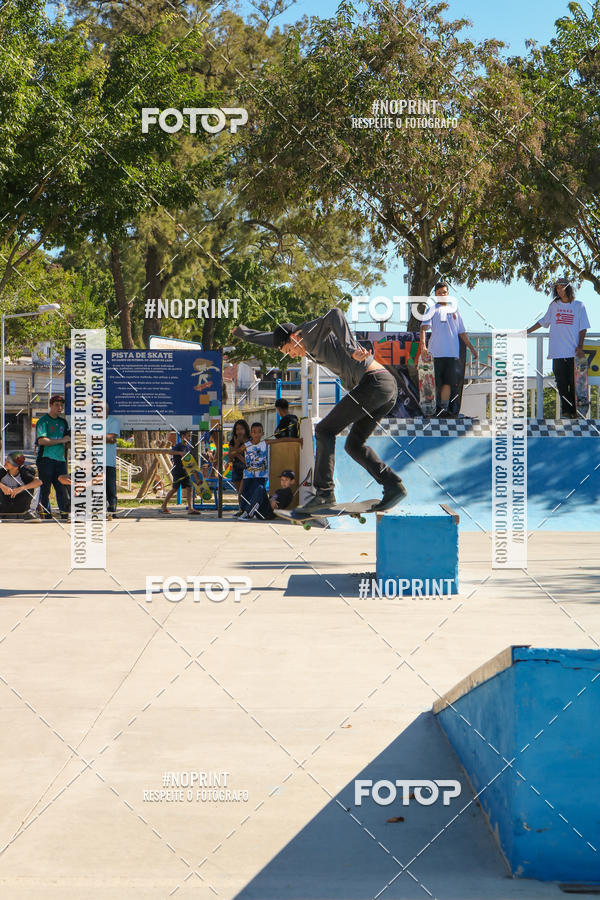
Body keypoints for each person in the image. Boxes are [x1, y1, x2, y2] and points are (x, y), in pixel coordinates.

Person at [234, 309, 407, 513]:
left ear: (293, 338)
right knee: (353, 445)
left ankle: (324, 493)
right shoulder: (299, 342)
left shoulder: (307, 333)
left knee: (325, 430)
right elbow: (270, 338)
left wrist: (350, 347)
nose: (292, 355)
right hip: (384, 389)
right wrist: (242, 332)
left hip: (374, 382)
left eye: (289, 350)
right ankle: (393, 486)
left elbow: (335, 314)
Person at [527, 278, 590, 418]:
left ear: (568, 288)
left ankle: (576, 412)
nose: (559, 290)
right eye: (557, 288)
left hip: (573, 352)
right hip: (557, 352)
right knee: (561, 384)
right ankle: (566, 411)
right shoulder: (554, 305)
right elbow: (543, 322)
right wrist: (527, 331)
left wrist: (580, 347)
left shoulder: (579, 306)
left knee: (574, 384)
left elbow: (583, 328)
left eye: (562, 287)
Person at [420, 282, 478, 417]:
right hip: (436, 353)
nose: (442, 295)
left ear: (448, 294)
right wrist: (423, 345)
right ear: (435, 294)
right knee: (434, 382)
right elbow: (423, 328)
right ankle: (432, 409)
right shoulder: (432, 310)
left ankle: (443, 409)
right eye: (439, 292)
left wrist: (472, 349)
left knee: (447, 383)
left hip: (451, 353)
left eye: (444, 292)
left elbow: (462, 332)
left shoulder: (454, 310)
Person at [36, 394, 70, 520]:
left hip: (60, 460)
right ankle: (46, 514)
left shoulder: (63, 422)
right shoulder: (43, 421)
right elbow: (42, 441)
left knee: (62, 488)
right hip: (46, 459)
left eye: (61, 405)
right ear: (50, 405)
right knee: (45, 488)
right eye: (56, 405)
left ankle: (64, 513)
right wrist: (61, 440)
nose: (59, 407)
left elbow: (68, 439)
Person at [160, 429, 200, 515]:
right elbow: (170, 452)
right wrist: (179, 453)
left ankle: (190, 508)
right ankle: (164, 506)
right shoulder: (178, 446)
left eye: (190, 436)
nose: (189, 438)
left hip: (186, 471)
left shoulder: (189, 447)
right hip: (178, 471)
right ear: (182, 436)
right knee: (174, 489)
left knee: (189, 489)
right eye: (188, 436)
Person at [237, 422, 269, 519]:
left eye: (259, 432)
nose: (256, 434)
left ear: (262, 433)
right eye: (254, 432)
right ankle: (245, 511)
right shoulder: (246, 445)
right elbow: (235, 453)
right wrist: (245, 462)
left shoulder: (265, 443)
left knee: (259, 490)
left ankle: (248, 513)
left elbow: (281, 440)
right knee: (246, 495)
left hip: (261, 476)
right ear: (251, 433)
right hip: (248, 476)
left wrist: (299, 440)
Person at [0, 452, 42, 518]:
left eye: (8, 461)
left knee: (36, 486)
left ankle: (31, 512)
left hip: (20, 503)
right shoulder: (2, 472)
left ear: (15, 465)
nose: (5, 462)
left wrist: (20, 489)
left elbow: (39, 482)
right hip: (5, 503)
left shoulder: (23, 472)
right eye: (6, 460)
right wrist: (2, 486)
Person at [228, 420, 250, 506]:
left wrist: (236, 453)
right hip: (236, 469)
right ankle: (242, 508)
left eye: (241, 429)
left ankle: (243, 508)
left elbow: (248, 457)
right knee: (239, 492)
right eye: (237, 429)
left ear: (245, 429)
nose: (239, 431)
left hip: (246, 469)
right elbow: (230, 457)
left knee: (242, 491)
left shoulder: (250, 441)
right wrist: (237, 444)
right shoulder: (233, 441)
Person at [105, 403, 120, 516]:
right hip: (94, 463)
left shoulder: (113, 422)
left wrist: (94, 436)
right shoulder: (91, 422)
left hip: (109, 462)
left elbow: (111, 438)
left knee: (111, 489)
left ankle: (112, 511)